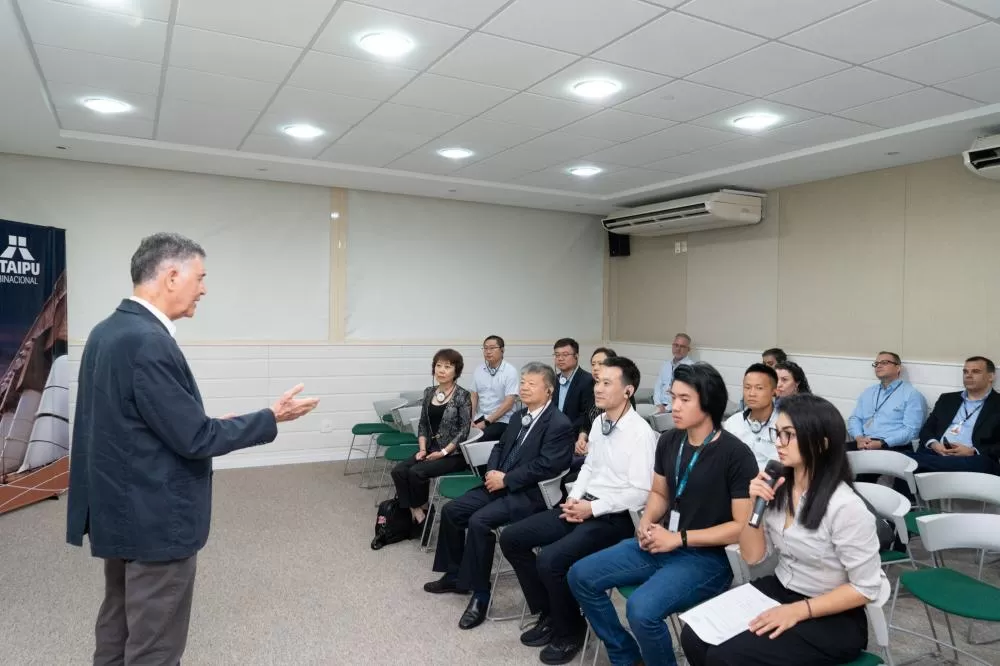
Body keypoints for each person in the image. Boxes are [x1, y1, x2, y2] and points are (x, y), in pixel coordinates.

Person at [66, 233, 319, 666]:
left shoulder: (107, 331)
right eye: (199, 277)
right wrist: (271, 417)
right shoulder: (148, 341)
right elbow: (196, 438)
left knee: (117, 625)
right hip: (155, 518)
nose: (203, 289)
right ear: (171, 276)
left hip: (121, 508)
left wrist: (207, 424)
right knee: (155, 646)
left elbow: (136, 423)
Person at [568, 362, 757, 666]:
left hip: (707, 558)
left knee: (641, 610)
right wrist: (646, 521)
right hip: (662, 542)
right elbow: (659, 493)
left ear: (708, 402)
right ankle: (626, 655)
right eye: (673, 397)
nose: (674, 406)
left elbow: (741, 527)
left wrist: (679, 539)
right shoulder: (669, 440)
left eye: (684, 399)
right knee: (580, 576)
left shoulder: (735, 454)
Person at [681, 393, 889, 666]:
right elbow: (753, 556)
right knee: (694, 636)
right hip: (782, 588)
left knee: (726, 657)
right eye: (777, 433)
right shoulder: (779, 486)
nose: (779, 443)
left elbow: (865, 588)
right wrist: (753, 504)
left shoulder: (845, 507)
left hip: (833, 614)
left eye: (788, 435)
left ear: (821, 443)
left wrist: (798, 611)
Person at [499, 356, 657, 665]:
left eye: (607, 383)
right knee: (512, 538)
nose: (598, 388)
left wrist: (592, 508)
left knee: (550, 560)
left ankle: (570, 630)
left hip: (615, 518)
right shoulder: (599, 422)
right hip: (584, 504)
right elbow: (589, 467)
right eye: (598, 381)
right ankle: (551, 612)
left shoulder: (640, 433)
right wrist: (574, 497)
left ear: (628, 391)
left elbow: (640, 492)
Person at [424, 363, 574, 631]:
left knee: (479, 522)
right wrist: (492, 471)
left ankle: (481, 594)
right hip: (498, 483)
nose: (524, 388)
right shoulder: (519, 416)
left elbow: (547, 466)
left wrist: (507, 479)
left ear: (549, 390)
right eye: (523, 383)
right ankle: (456, 575)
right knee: (452, 511)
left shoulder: (559, 424)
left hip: (529, 494)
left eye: (531, 384)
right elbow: (500, 447)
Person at [391, 349, 473, 531]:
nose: (442, 370)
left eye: (447, 366)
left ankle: (422, 511)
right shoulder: (429, 392)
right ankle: (418, 511)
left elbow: (464, 430)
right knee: (399, 471)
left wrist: (443, 452)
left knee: (416, 472)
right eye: (438, 365)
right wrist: (422, 449)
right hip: (429, 449)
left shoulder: (462, 395)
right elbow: (422, 424)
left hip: (453, 454)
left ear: (456, 371)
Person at [908, 356, 999, 475]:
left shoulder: (997, 403)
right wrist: (934, 445)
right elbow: (927, 429)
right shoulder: (947, 399)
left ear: (991, 376)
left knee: (908, 463)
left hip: (972, 458)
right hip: (938, 452)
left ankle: (915, 461)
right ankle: (922, 463)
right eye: (965, 372)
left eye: (975, 371)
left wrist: (973, 451)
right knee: (909, 470)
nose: (968, 375)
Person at [847, 351, 925, 451]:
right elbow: (855, 418)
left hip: (893, 446)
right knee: (832, 452)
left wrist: (882, 443)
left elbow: (911, 431)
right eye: (876, 364)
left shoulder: (911, 394)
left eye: (884, 363)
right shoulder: (868, 392)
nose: (878, 366)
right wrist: (859, 438)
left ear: (898, 368)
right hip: (864, 442)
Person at [723, 364, 779, 469]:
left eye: (759, 388)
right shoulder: (732, 423)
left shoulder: (783, 424)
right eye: (747, 387)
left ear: (774, 391)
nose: (752, 393)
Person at [471, 335, 519, 441]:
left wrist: (486, 422)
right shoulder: (479, 370)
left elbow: (509, 403)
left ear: (502, 350)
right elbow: (474, 396)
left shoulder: (510, 371)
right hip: (481, 416)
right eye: (485, 348)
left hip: (502, 420)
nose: (488, 351)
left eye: (492, 348)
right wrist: (470, 418)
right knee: (461, 433)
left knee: (479, 437)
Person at [552, 337, 595, 434]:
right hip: (554, 432)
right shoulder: (554, 380)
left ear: (576, 356)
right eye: (557, 355)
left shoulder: (587, 380)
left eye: (565, 355)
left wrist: (565, 430)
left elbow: (586, 415)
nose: (560, 358)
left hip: (575, 434)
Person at [653, 333, 694, 413]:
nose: (678, 349)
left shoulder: (691, 368)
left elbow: (685, 394)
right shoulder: (666, 365)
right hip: (659, 406)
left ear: (688, 349)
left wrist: (666, 409)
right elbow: (657, 386)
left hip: (677, 409)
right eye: (676, 345)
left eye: (682, 346)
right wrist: (657, 404)